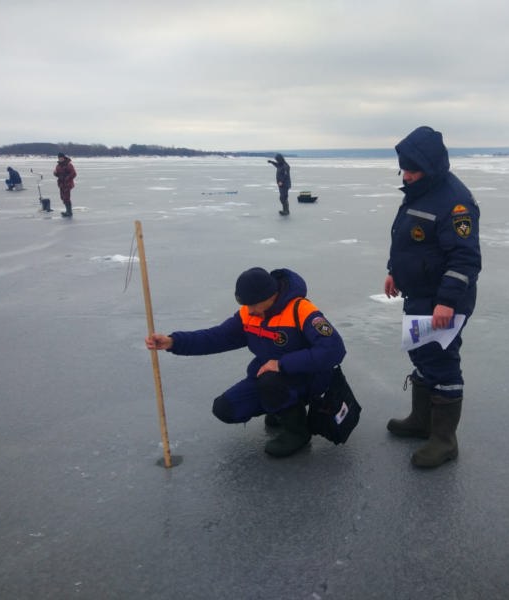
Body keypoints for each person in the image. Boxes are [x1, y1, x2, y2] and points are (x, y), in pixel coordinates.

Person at [145, 267, 346, 458]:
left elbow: (334, 349)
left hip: (309, 376)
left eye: (252, 304)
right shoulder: (248, 314)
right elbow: (215, 337)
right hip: (271, 377)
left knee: (270, 382)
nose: (248, 310)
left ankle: (298, 431)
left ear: (270, 296)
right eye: (245, 305)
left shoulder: (300, 310)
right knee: (226, 409)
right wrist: (173, 342)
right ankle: (281, 408)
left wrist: (282, 363)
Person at [383, 126, 481, 469]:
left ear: (431, 166)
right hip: (419, 294)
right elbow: (408, 240)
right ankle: (421, 421)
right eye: (404, 169)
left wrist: (447, 301)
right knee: (422, 353)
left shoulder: (455, 203)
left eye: (413, 169)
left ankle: (444, 440)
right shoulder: (420, 192)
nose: (407, 176)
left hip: (442, 299)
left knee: (441, 361)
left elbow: (465, 259)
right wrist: (394, 270)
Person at [53, 152, 77, 218]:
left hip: (67, 184)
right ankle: (67, 211)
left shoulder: (69, 165)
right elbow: (57, 174)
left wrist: (67, 178)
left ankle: (69, 212)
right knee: (63, 198)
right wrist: (55, 173)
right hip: (61, 184)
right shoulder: (58, 165)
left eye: (61, 158)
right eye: (59, 158)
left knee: (66, 198)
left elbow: (74, 173)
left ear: (64, 158)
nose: (60, 159)